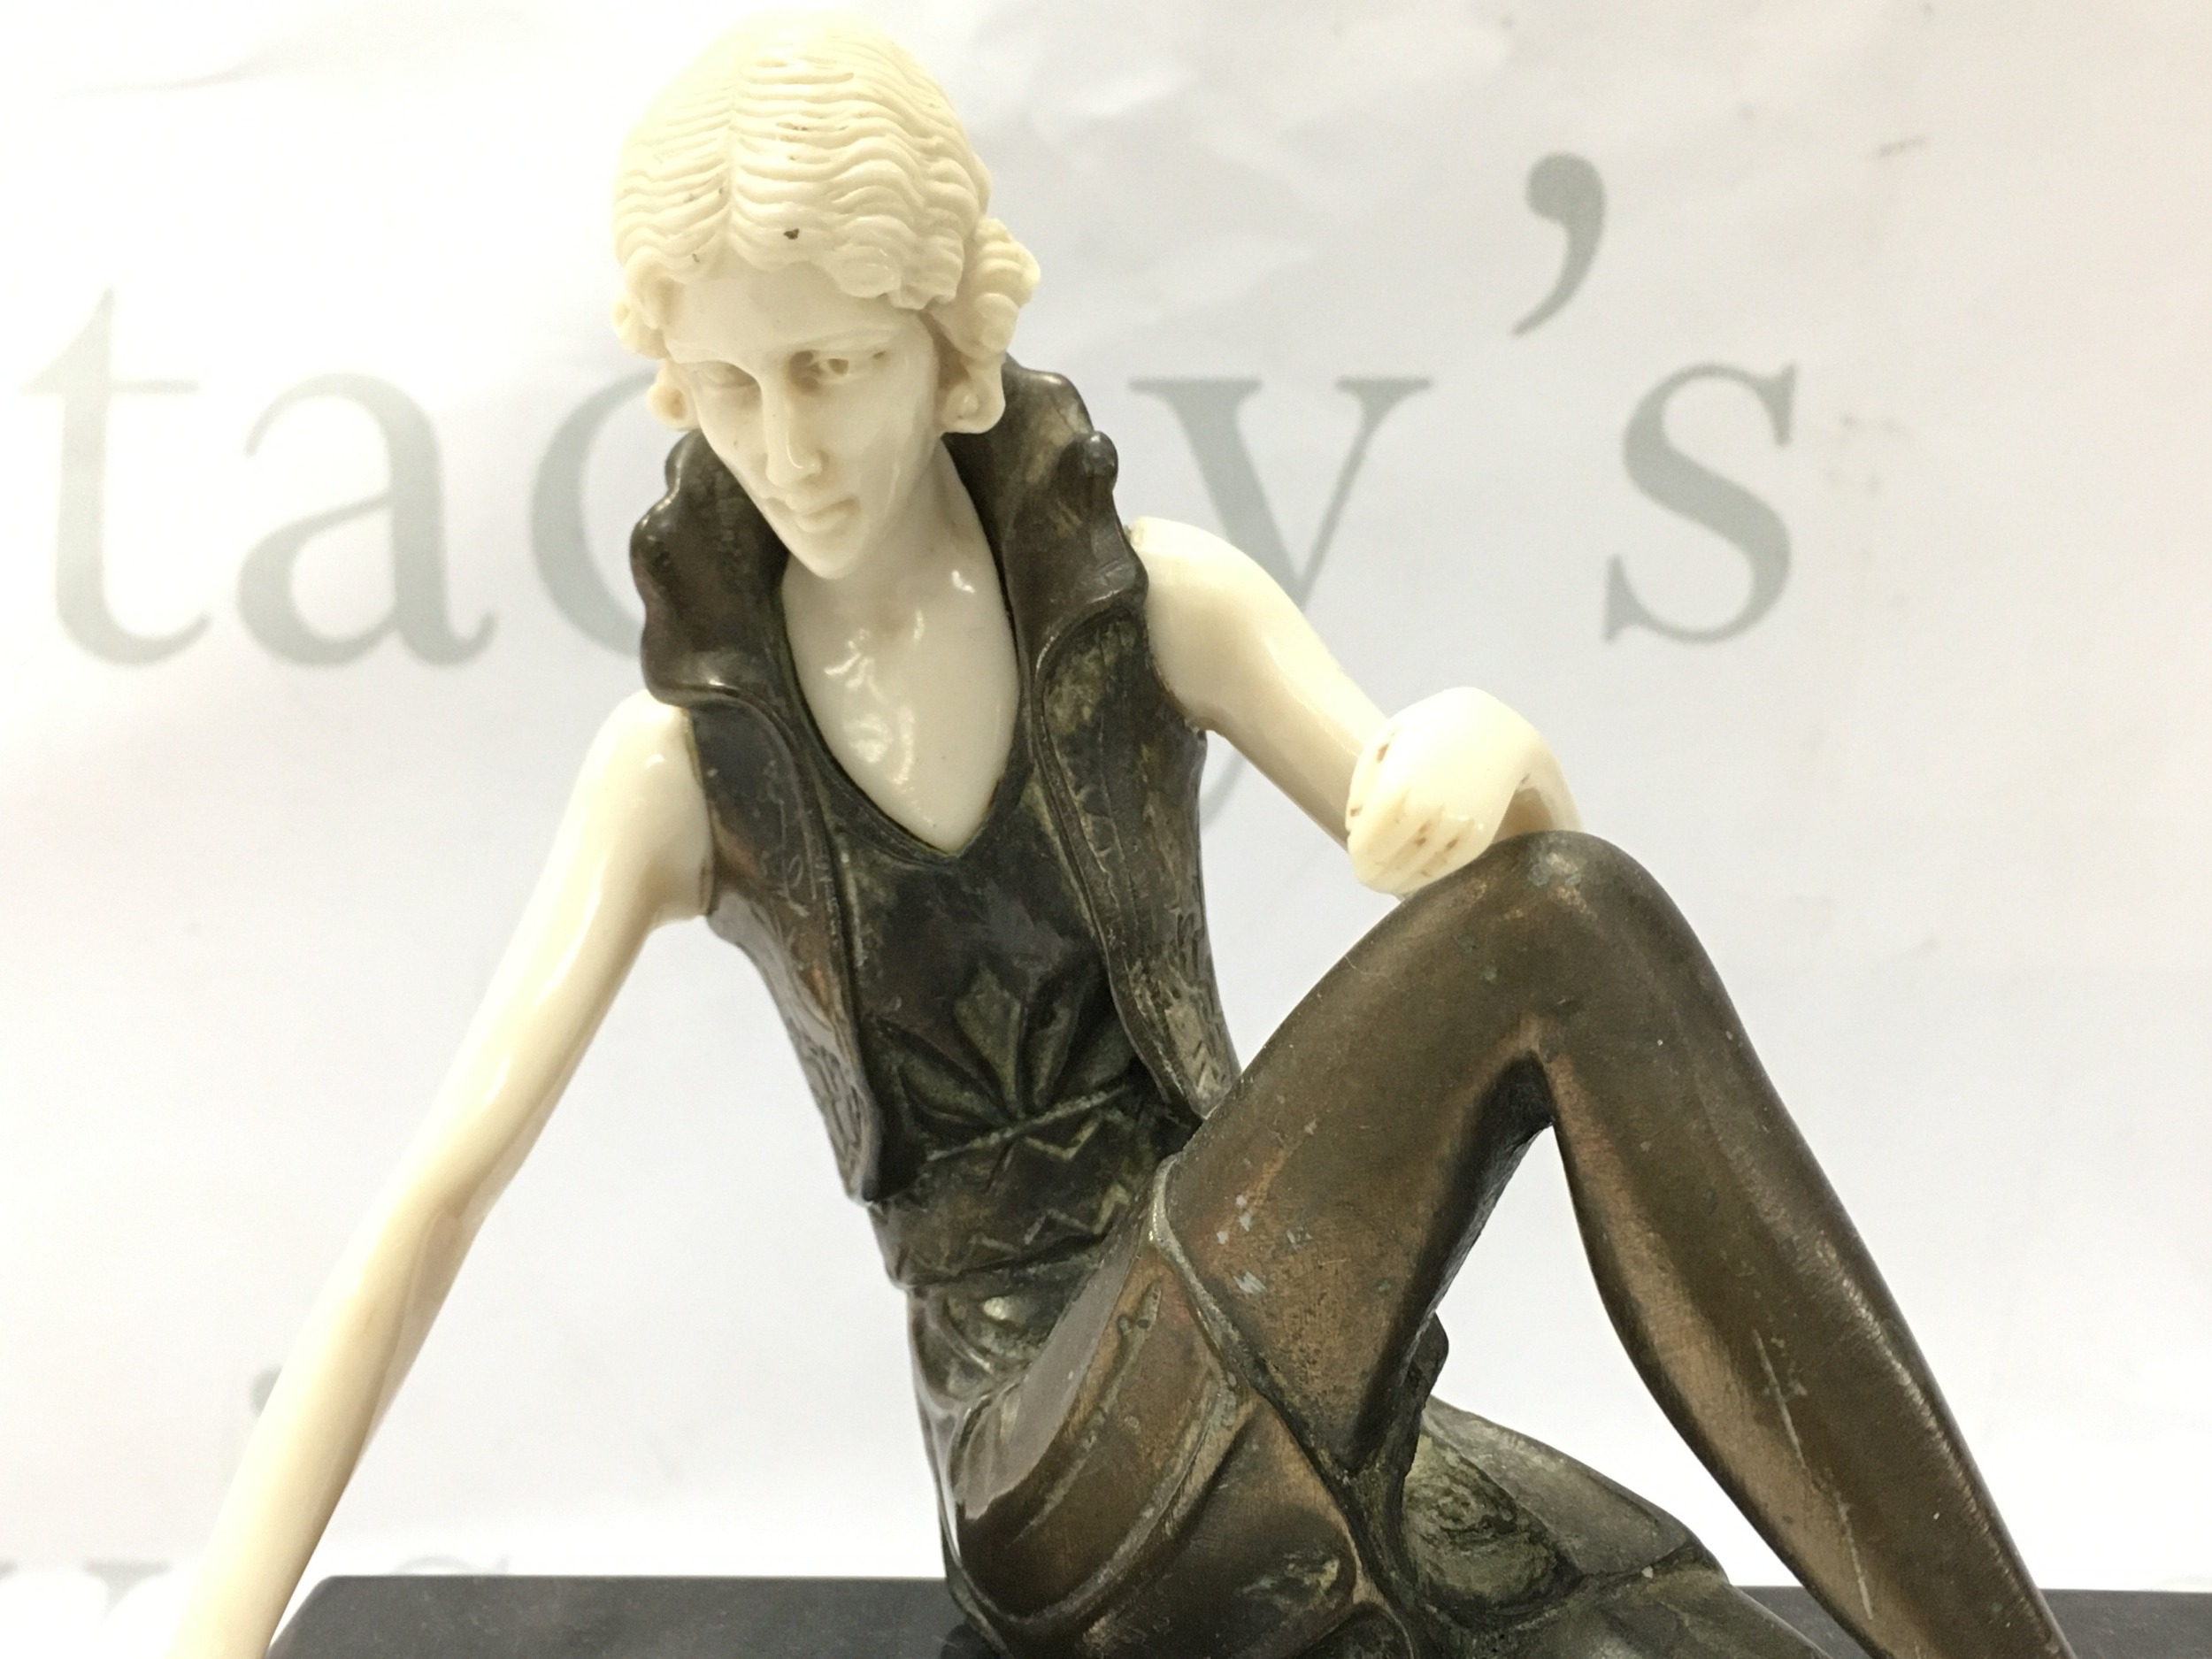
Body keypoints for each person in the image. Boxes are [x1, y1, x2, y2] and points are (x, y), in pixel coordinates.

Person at [168, 19, 2078, 1659]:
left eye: (831, 366)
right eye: (733, 386)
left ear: (949, 343)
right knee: (1567, 925)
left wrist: (1500, 757)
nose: (789, 445)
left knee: (1673, 1615)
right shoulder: (680, 770)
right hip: (1049, 1473)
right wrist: (206, 1633)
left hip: (1283, 1369)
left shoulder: (1161, 606)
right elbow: (434, 1202)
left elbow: (1508, 922)